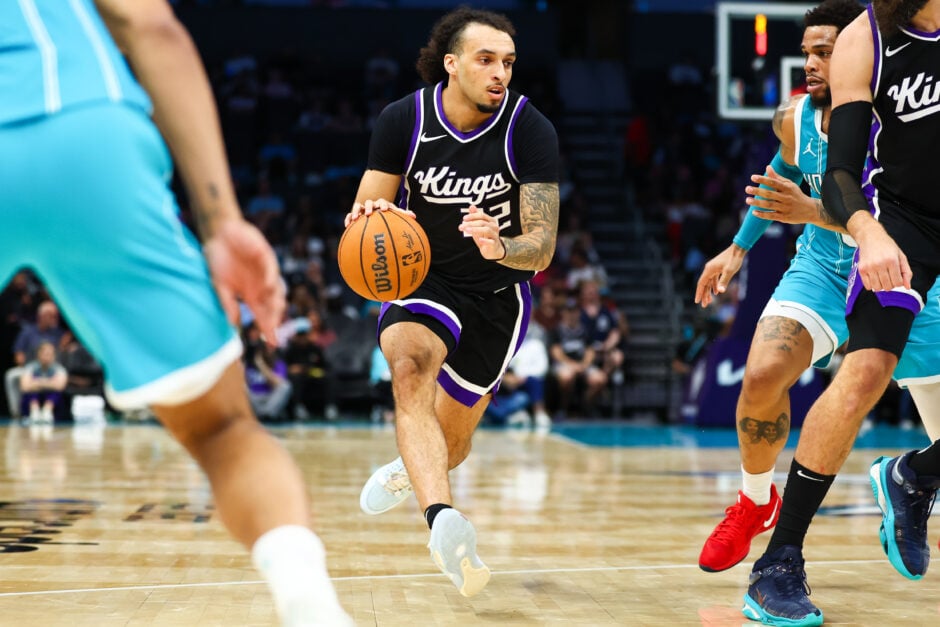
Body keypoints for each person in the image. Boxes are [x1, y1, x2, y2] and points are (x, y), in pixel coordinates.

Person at [0, 2, 351, 625]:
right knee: (223, 432)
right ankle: (312, 608)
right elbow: (149, 26)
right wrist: (221, 219)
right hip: (86, 128)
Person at [737, 1, 940, 625]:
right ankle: (778, 561)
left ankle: (913, 477)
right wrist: (869, 232)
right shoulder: (868, 38)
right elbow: (841, 172)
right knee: (865, 374)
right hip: (901, 223)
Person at [348, 6, 560, 597]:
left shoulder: (529, 129)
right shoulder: (403, 120)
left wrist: (502, 246)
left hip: (497, 292)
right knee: (409, 368)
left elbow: (542, 248)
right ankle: (442, 519)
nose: (500, 73)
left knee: (453, 438)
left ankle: (409, 469)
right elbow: (371, 204)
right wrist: (367, 217)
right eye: (486, 59)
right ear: (451, 63)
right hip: (422, 280)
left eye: (509, 62)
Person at [696, 0, 868, 577]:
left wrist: (810, 210)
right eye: (809, 53)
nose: (814, 64)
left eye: (828, 52)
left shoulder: (896, 121)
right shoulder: (794, 117)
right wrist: (737, 248)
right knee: (763, 375)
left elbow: (905, 223)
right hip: (822, 269)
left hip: (899, 272)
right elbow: (782, 175)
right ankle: (754, 502)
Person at [19, 341, 68, 423]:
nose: (47, 357)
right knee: (31, 392)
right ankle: (34, 412)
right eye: (45, 354)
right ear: (39, 355)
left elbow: (60, 387)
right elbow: (25, 387)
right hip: (32, 402)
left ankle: (47, 411)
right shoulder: (30, 367)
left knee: (55, 393)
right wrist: (49, 382)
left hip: (53, 404)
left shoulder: (59, 369)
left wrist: (37, 382)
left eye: (50, 354)